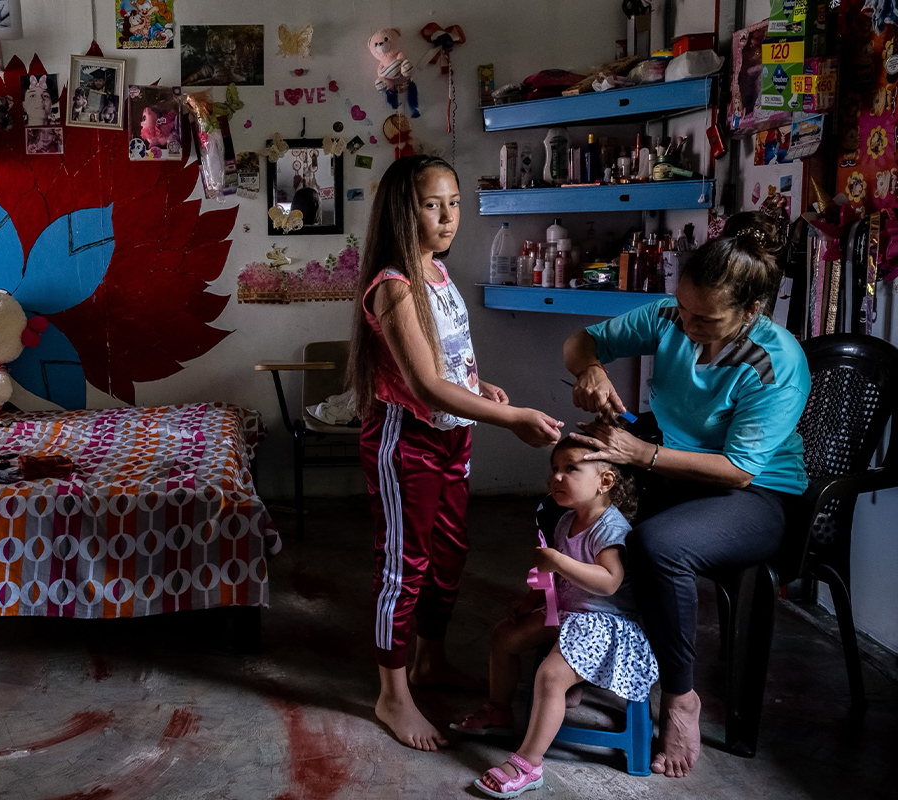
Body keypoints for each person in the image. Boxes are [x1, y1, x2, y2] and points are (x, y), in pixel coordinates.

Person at [561, 211, 809, 777]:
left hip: (760, 497)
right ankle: (582, 658)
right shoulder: (673, 317)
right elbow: (581, 340)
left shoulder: (776, 363)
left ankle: (679, 698)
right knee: (575, 502)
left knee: (659, 546)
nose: (688, 326)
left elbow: (739, 470)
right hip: (676, 472)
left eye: (707, 320)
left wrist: (638, 454)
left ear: (752, 312)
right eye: (685, 310)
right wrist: (591, 370)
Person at [347, 154, 564, 751]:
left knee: (449, 554)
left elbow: (448, 364)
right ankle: (392, 695)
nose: (447, 218)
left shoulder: (436, 274)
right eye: (431, 204)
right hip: (406, 440)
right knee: (404, 564)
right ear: (403, 210)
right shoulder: (393, 286)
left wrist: (481, 386)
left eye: (455, 203)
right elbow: (422, 386)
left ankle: (428, 662)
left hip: (450, 435)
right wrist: (513, 416)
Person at [452, 437, 657, 798]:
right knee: (504, 636)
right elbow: (554, 576)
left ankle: (529, 764)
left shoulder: (610, 529)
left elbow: (609, 583)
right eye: (555, 469)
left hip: (604, 624)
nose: (557, 478)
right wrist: (531, 597)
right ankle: (499, 710)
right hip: (566, 612)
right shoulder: (566, 521)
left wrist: (559, 560)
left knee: (549, 676)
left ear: (605, 482)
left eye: (571, 469)